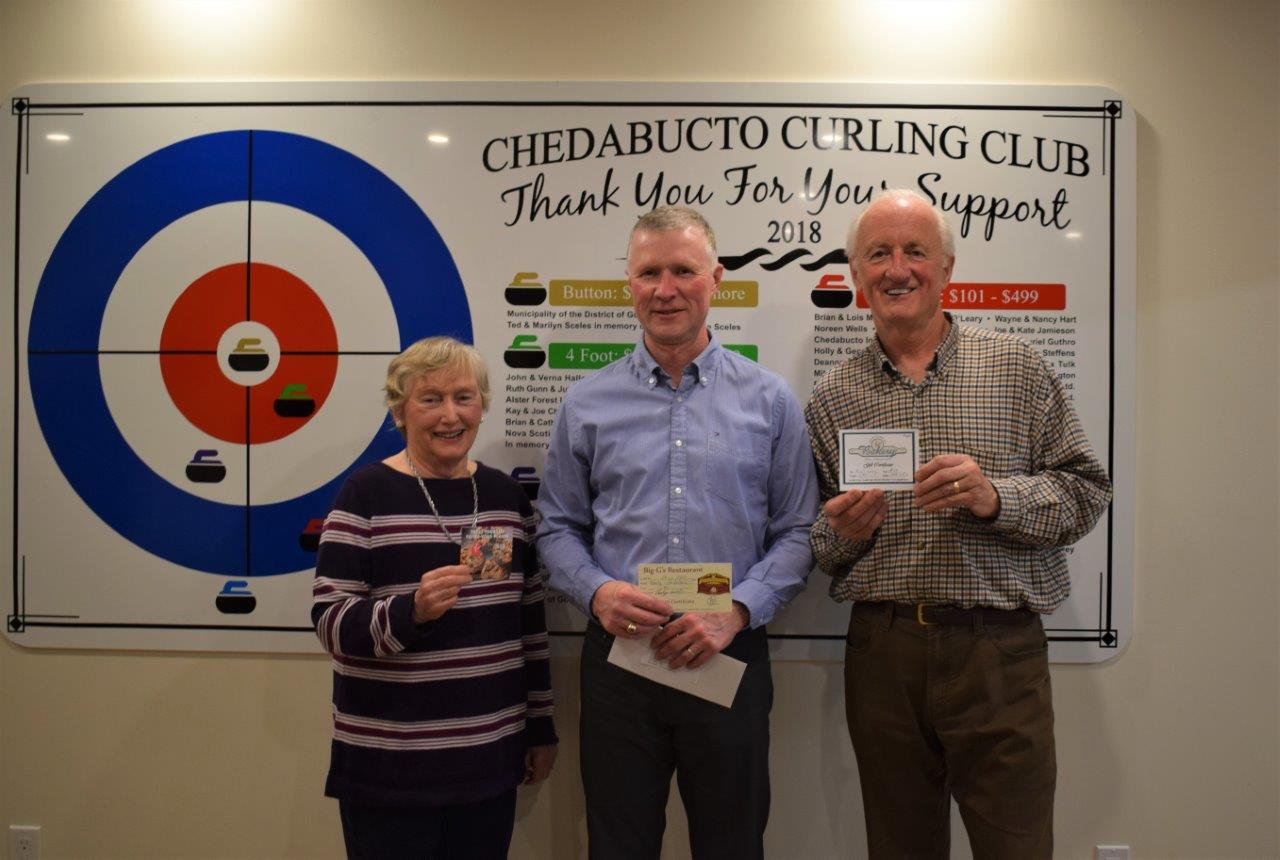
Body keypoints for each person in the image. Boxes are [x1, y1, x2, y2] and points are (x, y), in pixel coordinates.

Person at [806, 189, 1113, 859]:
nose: (897, 269)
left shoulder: (1018, 367)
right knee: (899, 847)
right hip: (884, 654)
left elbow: (1088, 493)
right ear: (856, 275)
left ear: (947, 268)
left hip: (997, 652)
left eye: (915, 251)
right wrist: (844, 531)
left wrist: (996, 497)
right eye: (878, 254)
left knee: (1016, 847)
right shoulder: (832, 397)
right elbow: (819, 548)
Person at [538, 206, 818, 860]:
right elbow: (556, 526)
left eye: (684, 271)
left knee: (732, 844)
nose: (665, 289)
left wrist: (735, 611)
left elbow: (801, 529)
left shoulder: (771, 401)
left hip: (728, 652)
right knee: (618, 845)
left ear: (715, 279)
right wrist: (597, 592)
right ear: (629, 285)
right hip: (620, 657)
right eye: (649, 273)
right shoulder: (585, 403)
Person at [311, 336, 557, 860]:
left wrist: (541, 728)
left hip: (488, 764)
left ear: (482, 407)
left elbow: (530, 627)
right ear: (399, 412)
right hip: (389, 771)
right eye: (430, 399)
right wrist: (411, 611)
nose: (450, 415)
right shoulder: (364, 495)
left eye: (464, 397)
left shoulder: (505, 499)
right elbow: (330, 623)